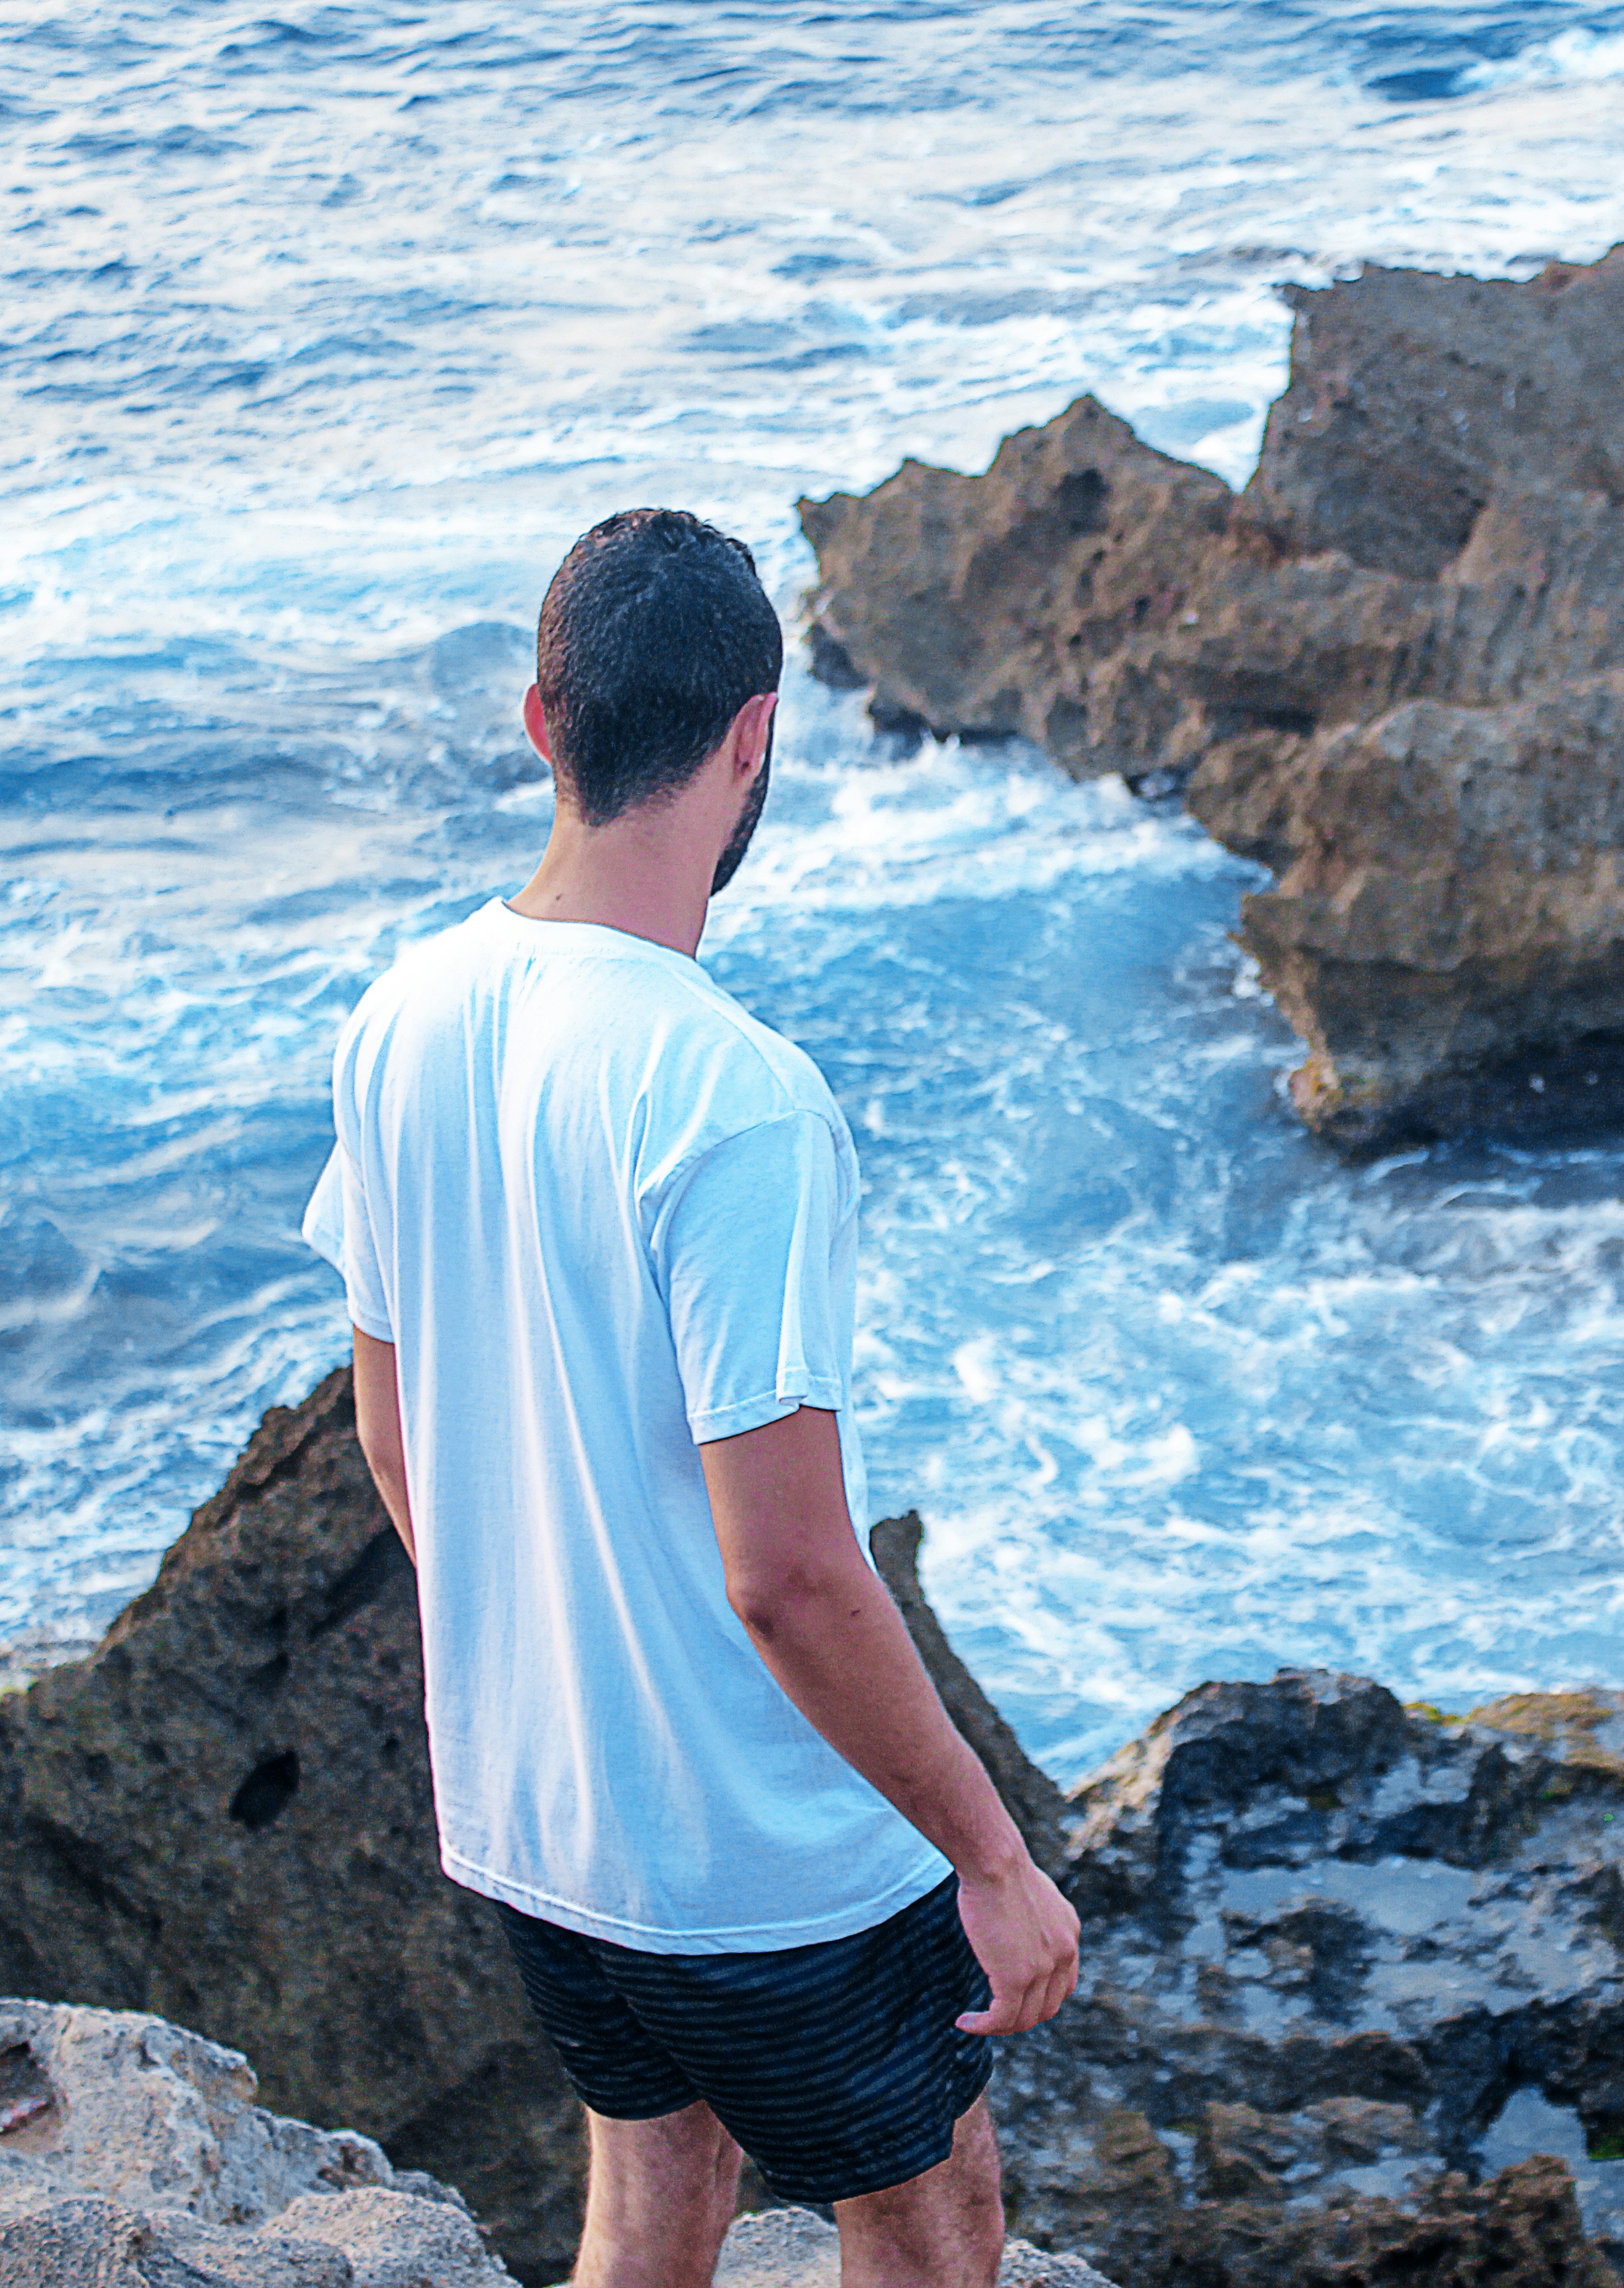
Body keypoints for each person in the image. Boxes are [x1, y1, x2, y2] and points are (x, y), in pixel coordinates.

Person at [303, 508, 1076, 2288]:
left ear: (540, 721)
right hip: (753, 1854)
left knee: (656, 2193)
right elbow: (789, 1572)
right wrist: (993, 1859)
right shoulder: (732, 1098)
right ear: (752, 739)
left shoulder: (400, 1018)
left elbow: (391, 1428)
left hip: (535, 1804)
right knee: (935, 2219)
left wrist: (542, 1675)